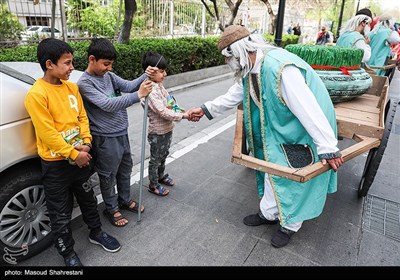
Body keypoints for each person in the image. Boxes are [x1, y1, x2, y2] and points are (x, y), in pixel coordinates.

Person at [188, 25, 343, 248]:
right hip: (279, 128)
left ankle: (290, 225)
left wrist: (327, 146)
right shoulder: (251, 67)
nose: (227, 64)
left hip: (300, 130)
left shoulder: (279, 68)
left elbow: (308, 108)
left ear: (238, 52)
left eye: (227, 58)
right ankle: (268, 213)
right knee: (272, 169)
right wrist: (205, 109)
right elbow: (236, 94)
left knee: (293, 174)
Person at [24, 38, 121, 267]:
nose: (71, 68)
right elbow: (48, 134)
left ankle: (96, 232)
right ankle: (67, 253)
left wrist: (86, 143)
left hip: (81, 157)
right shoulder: (37, 95)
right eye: (67, 63)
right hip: (56, 165)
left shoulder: (72, 88)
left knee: (88, 199)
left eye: (72, 62)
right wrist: (73, 154)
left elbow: (82, 118)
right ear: (50, 64)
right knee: (59, 212)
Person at [77, 38, 154, 227]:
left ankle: (124, 200)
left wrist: (145, 76)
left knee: (125, 169)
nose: (109, 68)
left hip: (121, 132)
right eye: (106, 64)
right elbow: (108, 104)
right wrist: (138, 95)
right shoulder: (85, 83)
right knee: (108, 175)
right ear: (92, 59)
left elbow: (128, 86)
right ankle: (111, 208)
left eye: (111, 64)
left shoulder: (109, 77)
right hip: (105, 137)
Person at [140, 51, 191, 196]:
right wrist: (184, 116)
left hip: (167, 128)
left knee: (164, 154)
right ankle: (153, 184)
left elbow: (169, 102)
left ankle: (161, 176)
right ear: (150, 72)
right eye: (161, 71)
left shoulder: (159, 85)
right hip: (157, 132)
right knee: (155, 159)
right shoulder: (149, 89)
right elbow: (162, 111)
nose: (165, 74)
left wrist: (181, 110)